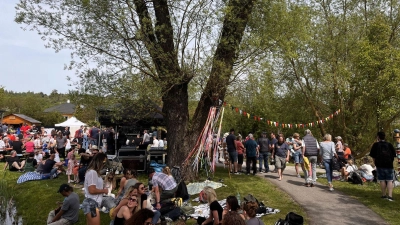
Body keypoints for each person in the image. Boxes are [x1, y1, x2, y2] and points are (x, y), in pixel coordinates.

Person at [82, 153, 109, 225]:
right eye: (103, 162)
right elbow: (92, 190)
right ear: (99, 161)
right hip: (91, 203)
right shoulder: (92, 172)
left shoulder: (95, 173)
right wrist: (104, 190)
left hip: (93, 203)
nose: (104, 164)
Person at [369, 131, 396, 201]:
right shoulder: (389, 144)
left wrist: (375, 163)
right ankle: (390, 196)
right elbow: (394, 155)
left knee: (382, 180)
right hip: (389, 165)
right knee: (390, 180)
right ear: (385, 137)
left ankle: (384, 195)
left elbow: (373, 156)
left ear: (378, 137)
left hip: (380, 165)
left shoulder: (376, 145)